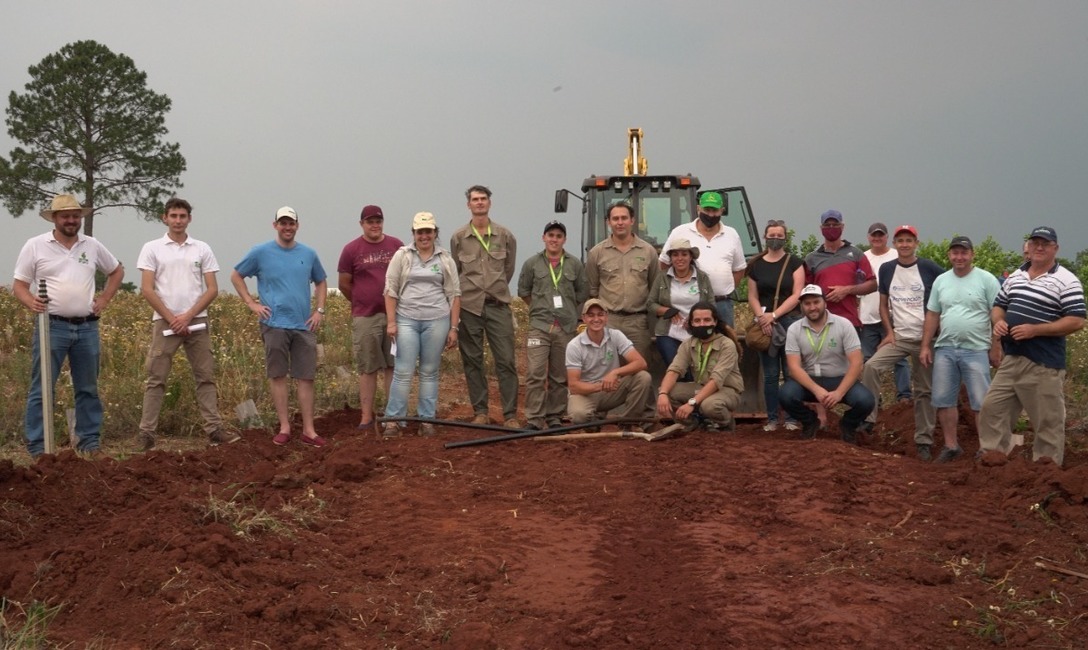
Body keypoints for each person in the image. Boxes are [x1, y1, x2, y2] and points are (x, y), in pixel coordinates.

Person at [14, 194, 124, 459]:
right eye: (66, 216)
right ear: (55, 218)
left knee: (87, 388)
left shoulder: (92, 245)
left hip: (87, 327)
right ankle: (39, 447)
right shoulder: (36, 245)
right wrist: (32, 302)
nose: (71, 220)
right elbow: (19, 284)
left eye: (75, 216)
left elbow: (117, 270)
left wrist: (105, 298)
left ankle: (89, 443)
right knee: (43, 388)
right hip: (51, 326)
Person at [136, 197, 238, 451]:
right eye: (174, 216)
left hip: (197, 323)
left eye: (182, 216)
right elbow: (147, 289)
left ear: (189, 219)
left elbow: (212, 288)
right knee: (156, 378)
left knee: (205, 377)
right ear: (165, 218)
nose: (178, 221)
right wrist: (173, 318)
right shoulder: (152, 248)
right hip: (164, 323)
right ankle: (146, 434)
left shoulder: (201, 248)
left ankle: (214, 430)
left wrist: (189, 315)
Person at [977, 227, 1085, 466]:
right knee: (992, 410)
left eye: (1045, 244)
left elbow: (1077, 320)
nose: (1039, 247)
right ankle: (993, 462)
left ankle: (1045, 473)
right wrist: (999, 322)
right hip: (1012, 359)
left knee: (1047, 421)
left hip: (1043, 364)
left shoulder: (1066, 280)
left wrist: (1035, 330)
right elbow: (998, 306)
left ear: (1055, 248)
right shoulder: (1016, 275)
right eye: (1035, 242)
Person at [231, 206, 328, 448]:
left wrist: (319, 310)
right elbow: (236, 275)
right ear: (275, 225)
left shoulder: (309, 253)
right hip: (273, 324)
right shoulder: (260, 252)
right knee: (278, 375)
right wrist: (251, 303)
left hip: (303, 325)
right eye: (283, 223)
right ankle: (284, 427)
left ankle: (309, 430)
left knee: (306, 377)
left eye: (291, 223)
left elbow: (321, 281)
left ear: (297, 225)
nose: (287, 227)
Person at [860, 225, 943, 460]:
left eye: (909, 240)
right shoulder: (887, 269)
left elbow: (943, 295)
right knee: (871, 367)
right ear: (894, 244)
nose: (905, 244)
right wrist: (889, 331)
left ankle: (924, 440)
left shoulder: (929, 268)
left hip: (925, 340)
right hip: (900, 337)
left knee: (924, 390)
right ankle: (868, 419)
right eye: (901, 240)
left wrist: (930, 339)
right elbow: (883, 304)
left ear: (917, 243)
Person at [919, 236, 1001, 463]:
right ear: (949, 255)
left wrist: (996, 346)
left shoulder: (986, 280)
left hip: (976, 349)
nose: (959, 257)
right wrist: (926, 345)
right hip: (945, 348)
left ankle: (986, 448)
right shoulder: (941, 281)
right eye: (955, 253)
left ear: (972, 254)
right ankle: (951, 445)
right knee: (944, 399)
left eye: (964, 253)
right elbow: (933, 314)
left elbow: (997, 314)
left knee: (980, 401)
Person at [383, 212, 461, 437]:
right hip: (406, 318)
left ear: (435, 233)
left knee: (429, 371)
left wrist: (453, 327)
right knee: (403, 370)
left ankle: (427, 419)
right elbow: (390, 289)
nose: (424, 236)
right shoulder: (403, 256)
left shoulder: (445, 259)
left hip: (437, 320)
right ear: (414, 233)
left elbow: (455, 294)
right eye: (420, 232)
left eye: (428, 231)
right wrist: (391, 322)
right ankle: (394, 420)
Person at [449, 185, 519, 427]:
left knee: (506, 361)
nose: (479, 203)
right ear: (468, 205)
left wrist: (494, 288)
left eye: (483, 199)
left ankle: (510, 415)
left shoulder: (505, 236)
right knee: (473, 361)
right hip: (469, 308)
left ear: (490, 203)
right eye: (475, 199)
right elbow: (456, 273)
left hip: (498, 305)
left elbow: (508, 270)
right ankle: (480, 412)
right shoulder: (458, 238)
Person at [779, 285, 875, 443]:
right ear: (801, 306)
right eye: (807, 304)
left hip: (839, 378)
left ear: (825, 303)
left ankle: (848, 425)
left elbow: (856, 363)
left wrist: (839, 393)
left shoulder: (844, 325)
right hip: (810, 381)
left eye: (816, 302)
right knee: (785, 394)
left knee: (866, 401)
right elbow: (794, 368)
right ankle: (810, 422)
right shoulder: (794, 329)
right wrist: (816, 390)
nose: (812, 307)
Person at [337, 204, 404, 431]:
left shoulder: (397, 246)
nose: (374, 225)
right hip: (365, 316)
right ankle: (366, 416)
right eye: (370, 221)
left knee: (392, 366)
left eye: (378, 221)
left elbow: (405, 277)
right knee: (368, 367)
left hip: (394, 315)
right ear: (362, 224)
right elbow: (344, 284)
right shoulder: (351, 250)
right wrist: (361, 299)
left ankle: (393, 415)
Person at [516, 220, 587, 431]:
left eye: (558, 236)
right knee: (535, 373)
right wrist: (539, 309)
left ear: (564, 239)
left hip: (565, 328)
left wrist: (566, 312)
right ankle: (534, 418)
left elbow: (581, 294)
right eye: (550, 235)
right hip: (539, 326)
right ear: (543, 238)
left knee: (559, 375)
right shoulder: (532, 264)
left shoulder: (574, 264)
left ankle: (555, 415)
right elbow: (523, 291)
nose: (554, 239)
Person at [745, 219, 805, 431]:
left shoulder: (795, 262)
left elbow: (798, 294)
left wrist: (775, 314)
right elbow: (752, 295)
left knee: (790, 371)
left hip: (790, 322)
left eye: (780, 235)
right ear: (765, 236)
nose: (775, 239)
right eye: (772, 235)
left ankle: (790, 417)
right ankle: (772, 418)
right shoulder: (755, 265)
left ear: (785, 238)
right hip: (765, 325)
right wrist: (763, 317)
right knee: (770, 374)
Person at [586, 202, 659, 368]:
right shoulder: (597, 253)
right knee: (606, 370)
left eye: (624, 218)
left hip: (638, 323)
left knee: (639, 371)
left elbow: (654, 288)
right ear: (608, 222)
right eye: (615, 218)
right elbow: (592, 290)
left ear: (632, 220)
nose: (620, 222)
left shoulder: (648, 252)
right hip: (608, 321)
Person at [657, 191, 747, 326]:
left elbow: (739, 269)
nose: (711, 214)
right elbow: (664, 263)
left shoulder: (732, 234)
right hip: (690, 305)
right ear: (698, 208)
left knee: (726, 343)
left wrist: (726, 288)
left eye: (715, 210)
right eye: (707, 210)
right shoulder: (680, 232)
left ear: (722, 210)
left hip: (722, 304)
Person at [656, 302, 744, 430]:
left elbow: (716, 379)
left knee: (709, 405)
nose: (702, 324)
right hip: (701, 386)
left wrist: (692, 402)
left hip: (726, 389)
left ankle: (724, 423)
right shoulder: (688, 344)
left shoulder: (727, 344)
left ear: (714, 322)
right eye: (697, 321)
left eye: (707, 320)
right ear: (691, 323)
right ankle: (691, 423)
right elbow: (674, 370)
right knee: (666, 391)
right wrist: (663, 394)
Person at [565, 299, 653, 425]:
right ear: (583, 319)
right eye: (591, 315)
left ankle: (627, 423)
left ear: (606, 317)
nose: (596, 319)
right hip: (585, 393)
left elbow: (641, 363)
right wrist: (600, 386)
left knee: (643, 377)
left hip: (611, 391)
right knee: (579, 416)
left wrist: (615, 373)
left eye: (600, 314)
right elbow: (574, 386)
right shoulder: (574, 346)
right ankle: (593, 422)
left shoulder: (616, 335)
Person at [860, 222, 911, 403]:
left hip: (893, 316)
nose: (877, 238)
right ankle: (872, 399)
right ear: (868, 237)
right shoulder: (863, 258)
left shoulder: (897, 255)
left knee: (900, 358)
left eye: (880, 235)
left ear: (887, 237)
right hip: (868, 316)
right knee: (868, 360)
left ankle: (904, 396)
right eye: (874, 235)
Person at [647, 237, 714, 369]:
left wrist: (697, 317)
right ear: (671, 258)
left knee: (696, 371)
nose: (680, 258)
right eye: (675, 254)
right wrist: (667, 311)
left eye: (684, 254)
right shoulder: (662, 277)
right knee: (677, 369)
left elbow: (711, 304)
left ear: (691, 257)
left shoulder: (702, 277)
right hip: (668, 332)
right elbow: (650, 303)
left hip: (697, 331)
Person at [804, 209, 876, 328]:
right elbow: (805, 292)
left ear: (842, 226)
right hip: (820, 323)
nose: (831, 227)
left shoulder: (856, 254)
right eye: (827, 225)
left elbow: (873, 284)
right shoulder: (811, 258)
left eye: (835, 224)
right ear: (821, 228)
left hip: (850, 322)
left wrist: (846, 290)